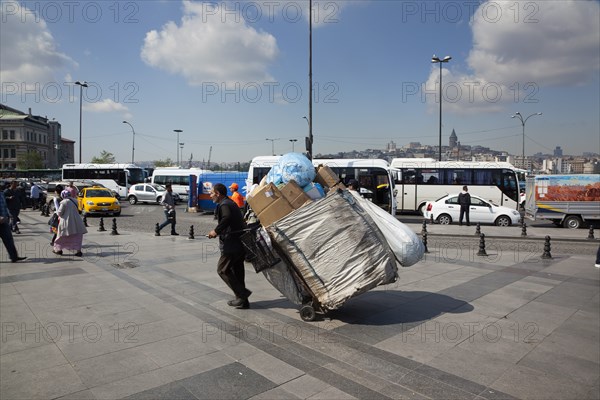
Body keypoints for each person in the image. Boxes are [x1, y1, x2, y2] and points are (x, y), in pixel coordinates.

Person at [207, 183, 251, 309]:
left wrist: (216, 231)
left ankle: (242, 295)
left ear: (218, 194)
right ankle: (244, 301)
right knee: (237, 272)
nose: (210, 196)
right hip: (239, 243)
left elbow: (226, 217)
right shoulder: (230, 202)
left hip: (231, 244)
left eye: (211, 193)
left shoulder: (225, 204)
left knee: (222, 269)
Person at [53, 190, 87, 257]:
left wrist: (56, 212)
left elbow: (60, 212)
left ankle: (58, 250)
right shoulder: (75, 200)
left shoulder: (64, 202)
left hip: (67, 221)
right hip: (76, 220)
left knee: (61, 236)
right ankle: (78, 251)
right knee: (77, 237)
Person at [0, 192, 27, 263]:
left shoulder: (1, 194)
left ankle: (14, 257)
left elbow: (5, 206)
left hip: (4, 221)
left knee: (9, 239)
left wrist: (9, 215)